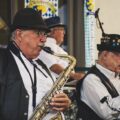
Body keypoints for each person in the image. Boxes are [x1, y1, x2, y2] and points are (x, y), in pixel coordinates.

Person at [0, 8, 71, 120]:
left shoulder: (41, 64)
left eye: (45, 34)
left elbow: (56, 94)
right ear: (19, 35)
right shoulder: (3, 60)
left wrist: (64, 101)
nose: (44, 39)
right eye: (38, 33)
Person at [76, 34, 120, 120]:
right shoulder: (92, 80)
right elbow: (109, 113)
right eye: (118, 54)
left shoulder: (116, 75)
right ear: (104, 55)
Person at [39, 16, 84, 84]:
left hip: (64, 83)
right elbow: (53, 66)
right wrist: (74, 75)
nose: (64, 33)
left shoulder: (54, 46)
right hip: (54, 85)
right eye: (61, 29)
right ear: (52, 31)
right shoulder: (47, 45)